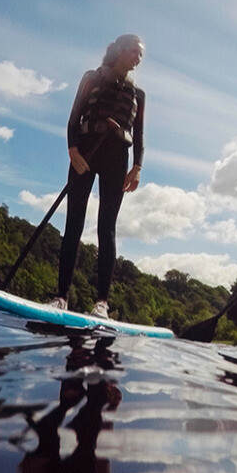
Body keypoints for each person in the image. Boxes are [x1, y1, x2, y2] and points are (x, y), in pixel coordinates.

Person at [50, 35, 145, 318]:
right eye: (134, 52)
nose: (138, 59)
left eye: (141, 55)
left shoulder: (138, 95)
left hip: (117, 159)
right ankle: (61, 297)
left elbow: (139, 135)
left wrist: (137, 167)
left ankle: (102, 302)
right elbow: (74, 118)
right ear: (119, 50)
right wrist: (73, 150)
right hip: (87, 153)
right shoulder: (92, 78)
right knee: (74, 223)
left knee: (107, 228)